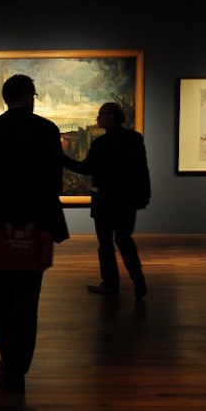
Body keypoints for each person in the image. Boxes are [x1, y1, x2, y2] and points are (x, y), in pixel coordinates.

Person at [0, 74, 69, 393]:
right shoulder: (47, 130)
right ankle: (19, 364)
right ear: (28, 96)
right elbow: (54, 181)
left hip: (0, 225)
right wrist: (33, 218)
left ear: (5, 97)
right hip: (36, 224)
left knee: (2, 289)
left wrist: (0, 219)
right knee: (29, 297)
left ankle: (5, 347)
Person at [63, 101, 151, 299]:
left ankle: (110, 283)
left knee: (105, 243)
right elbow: (142, 170)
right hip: (127, 200)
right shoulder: (135, 139)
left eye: (101, 115)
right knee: (124, 239)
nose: (98, 119)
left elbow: (86, 169)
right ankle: (138, 281)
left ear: (111, 117)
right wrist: (144, 196)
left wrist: (63, 159)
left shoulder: (101, 144)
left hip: (104, 201)